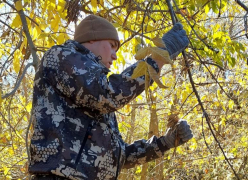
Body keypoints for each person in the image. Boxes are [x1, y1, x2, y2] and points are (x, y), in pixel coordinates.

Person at [28, 14, 193, 180]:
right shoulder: (61, 56)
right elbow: (109, 93)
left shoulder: (94, 96)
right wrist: (158, 56)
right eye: (112, 46)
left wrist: (166, 141)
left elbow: (120, 156)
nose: (114, 55)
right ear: (92, 38)